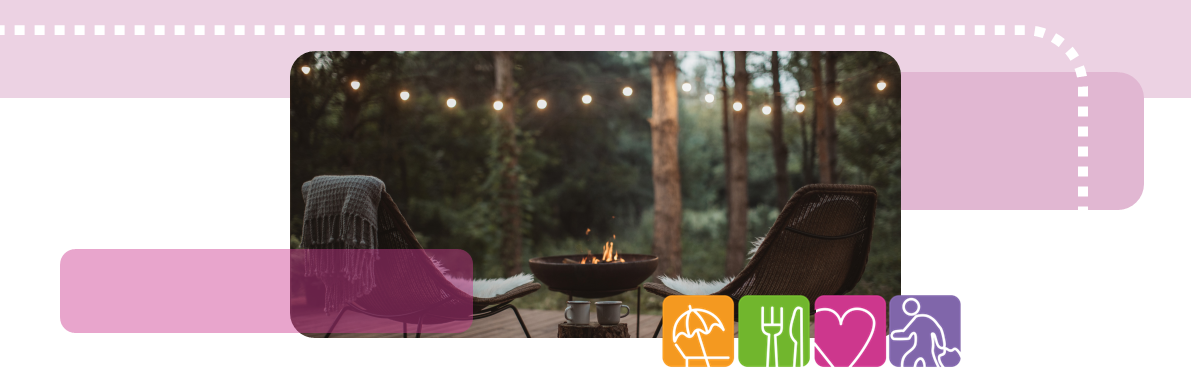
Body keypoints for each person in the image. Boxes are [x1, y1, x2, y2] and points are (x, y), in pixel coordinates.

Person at [889, 298, 961, 367]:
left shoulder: (918, 320)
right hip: (922, 349)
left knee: (908, 361)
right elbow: (938, 332)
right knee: (909, 361)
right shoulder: (922, 320)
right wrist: (940, 345)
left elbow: (906, 334)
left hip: (924, 349)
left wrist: (895, 334)